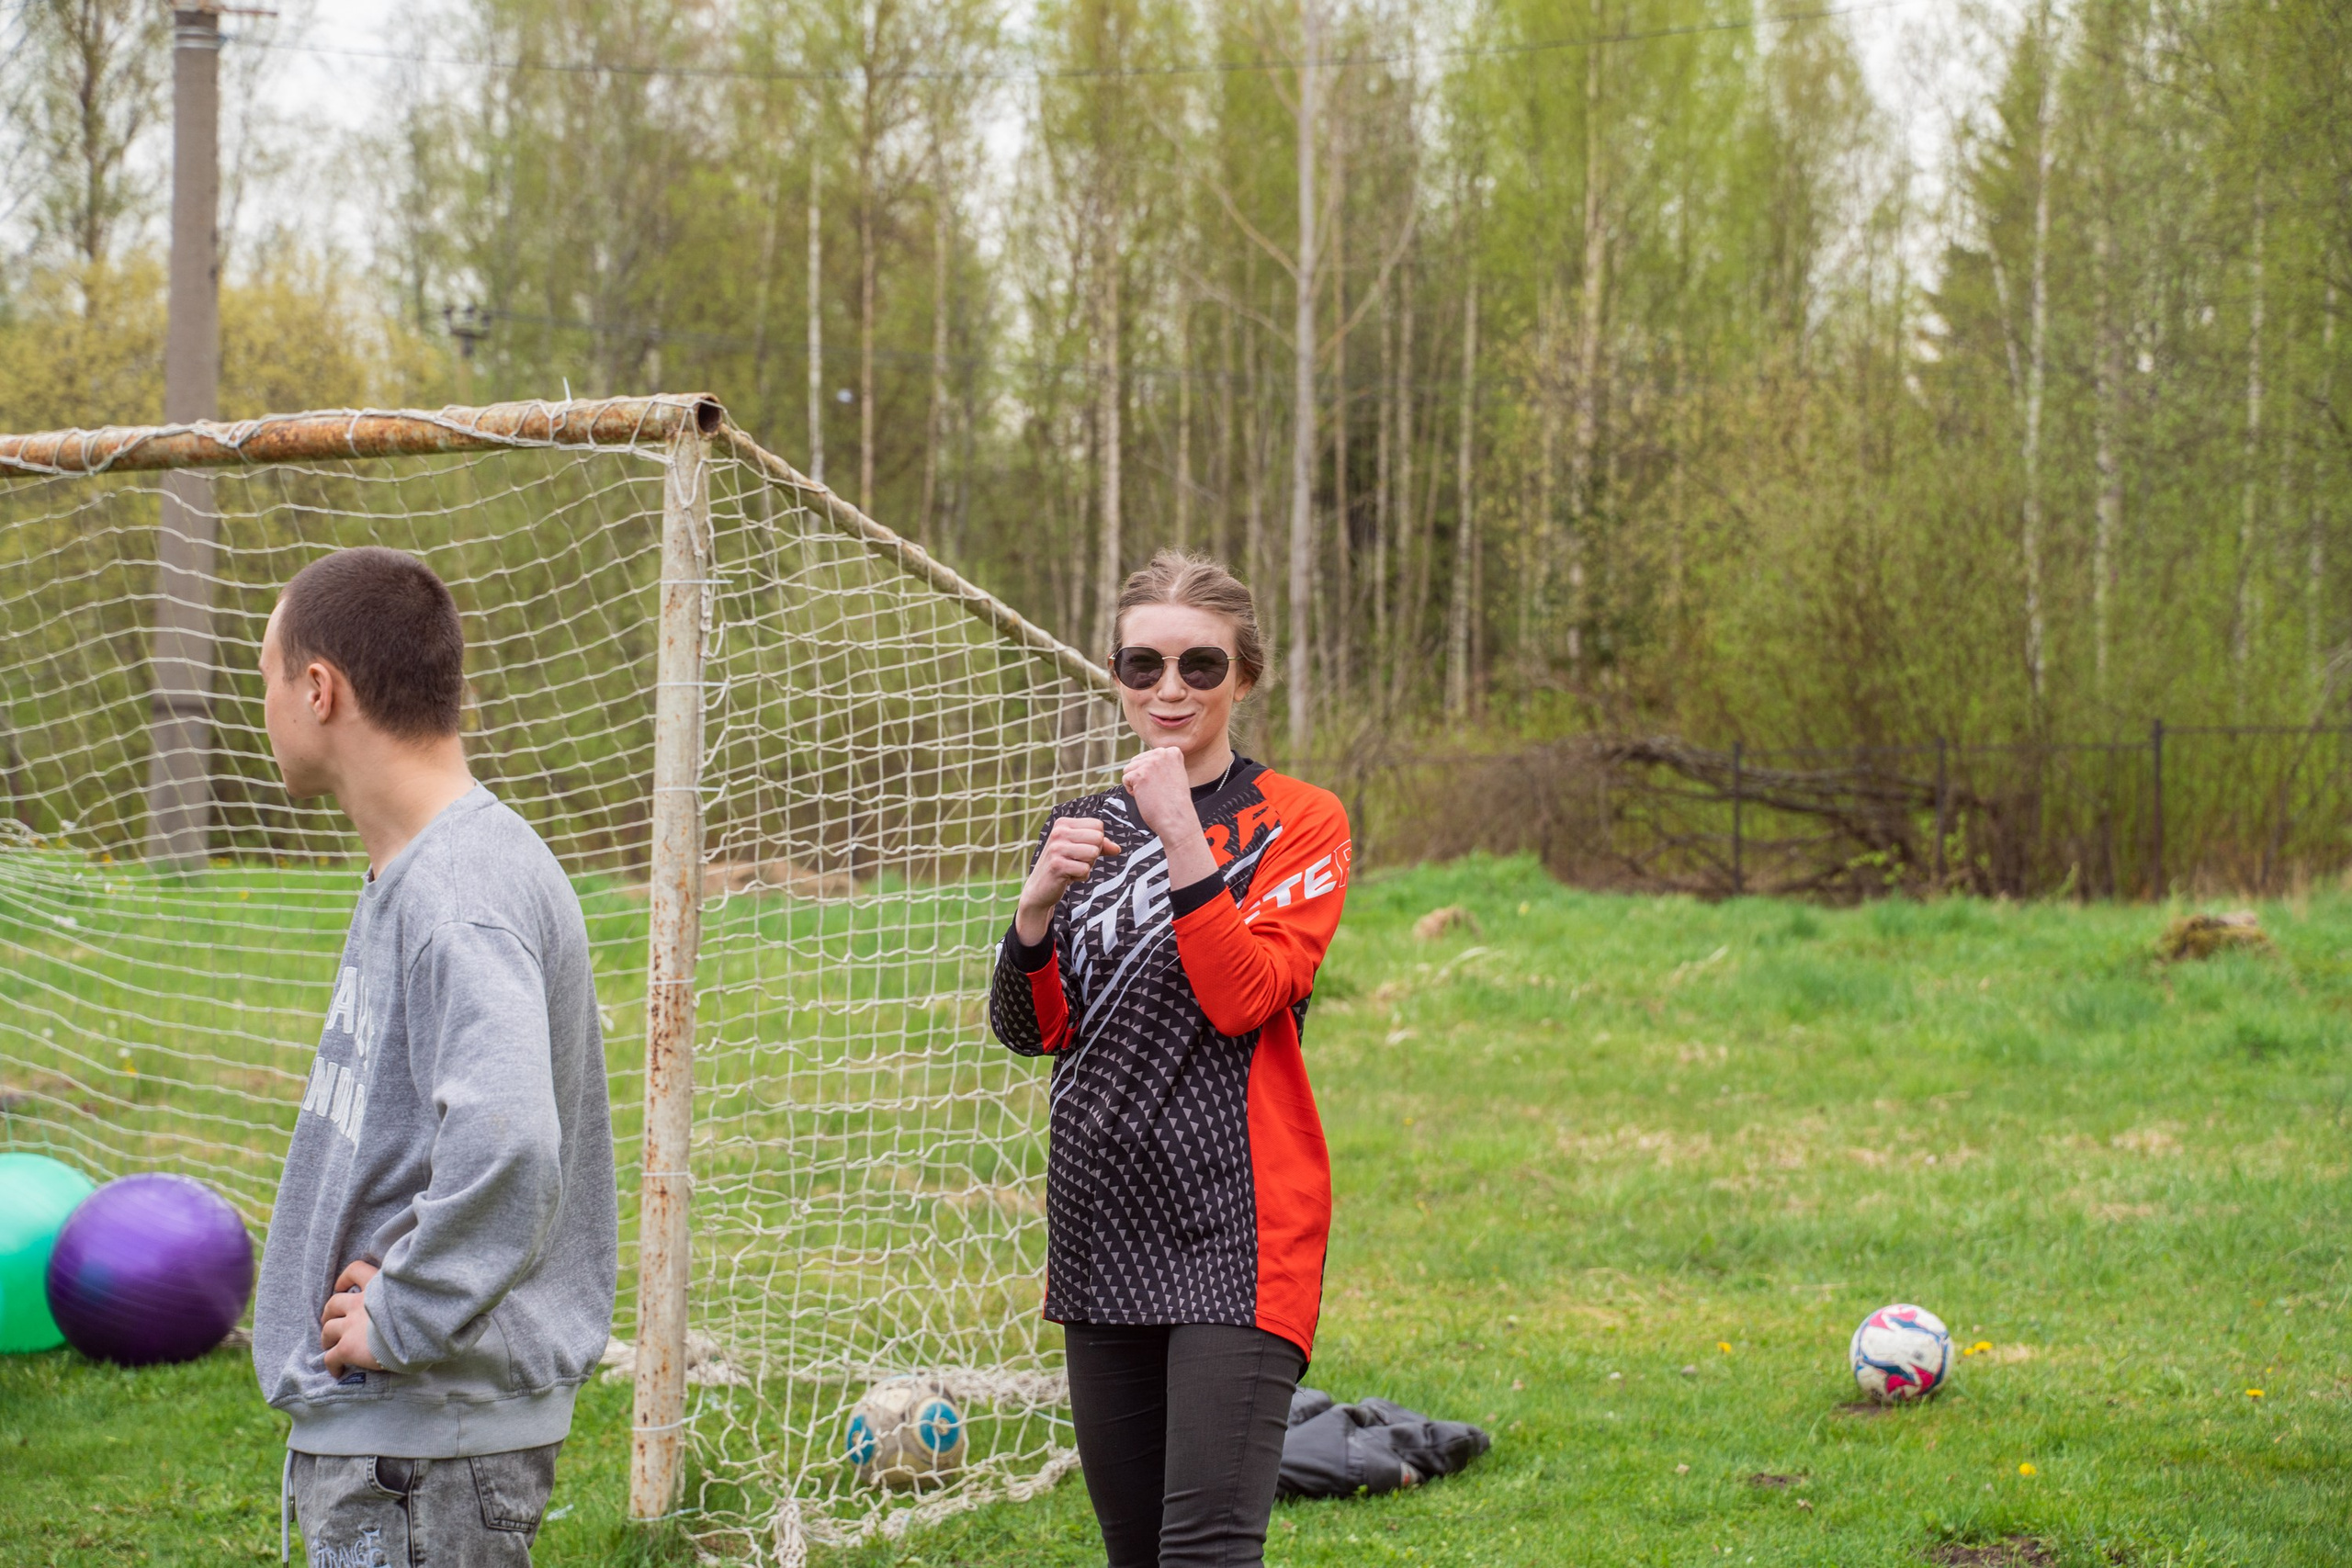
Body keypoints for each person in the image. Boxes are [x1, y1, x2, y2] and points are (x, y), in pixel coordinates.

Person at [250, 547, 617, 1567]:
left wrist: (405, 1311)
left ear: (319, 689)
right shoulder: (428, 870)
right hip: (404, 1448)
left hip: (419, 1453)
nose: (265, 707)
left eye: (267, 679)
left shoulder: (457, 891)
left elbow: (510, 1141)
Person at [989, 551, 1352, 1568]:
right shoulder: (1084, 823)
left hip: (1234, 1222)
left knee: (1203, 1553)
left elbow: (1243, 999)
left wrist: (1182, 836)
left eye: (1200, 666)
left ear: (1242, 678)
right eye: (1141, 665)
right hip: (1104, 1215)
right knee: (1136, 1553)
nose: (1168, 689)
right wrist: (1031, 912)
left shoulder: (1299, 820)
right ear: (1115, 673)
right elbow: (1034, 1028)